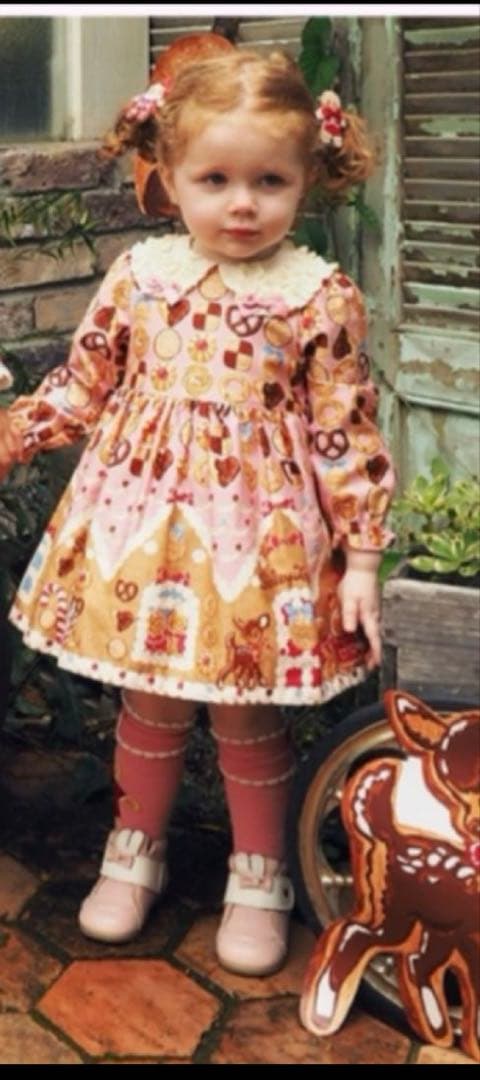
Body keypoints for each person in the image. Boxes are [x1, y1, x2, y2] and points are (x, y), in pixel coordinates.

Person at [0, 45, 395, 977]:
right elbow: (82, 387)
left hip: (262, 541)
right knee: (150, 700)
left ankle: (259, 874)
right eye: (215, 180)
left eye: (269, 181)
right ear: (168, 174)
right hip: (141, 532)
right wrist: (12, 434)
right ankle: (132, 850)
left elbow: (344, 432)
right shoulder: (140, 277)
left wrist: (363, 558)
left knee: (244, 709)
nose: (242, 204)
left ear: (308, 180)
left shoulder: (318, 297)